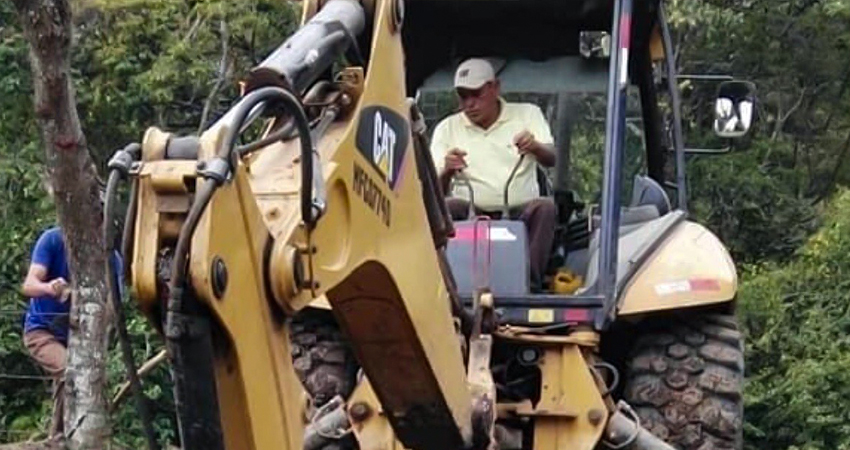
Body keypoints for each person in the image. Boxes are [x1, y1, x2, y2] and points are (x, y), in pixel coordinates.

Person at [430, 58, 558, 289]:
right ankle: (449, 286)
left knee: (545, 208)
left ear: (495, 87)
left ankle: (528, 284)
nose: (470, 104)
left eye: (476, 94)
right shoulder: (447, 128)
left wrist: (534, 146)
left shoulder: (527, 114)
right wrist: (447, 170)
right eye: (463, 96)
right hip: (470, 214)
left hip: (519, 214)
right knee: (446, 209)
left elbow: (551, 159)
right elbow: (434, 193)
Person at [20, 225, 122, 438]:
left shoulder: (112, 258)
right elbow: (29, 285)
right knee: (72, 371)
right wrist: (50, 288)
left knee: (76, 380)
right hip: (42, 332)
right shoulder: (53, 240)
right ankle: (61, 436)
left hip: (81, 337)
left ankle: (58, 437)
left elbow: (115, 305)